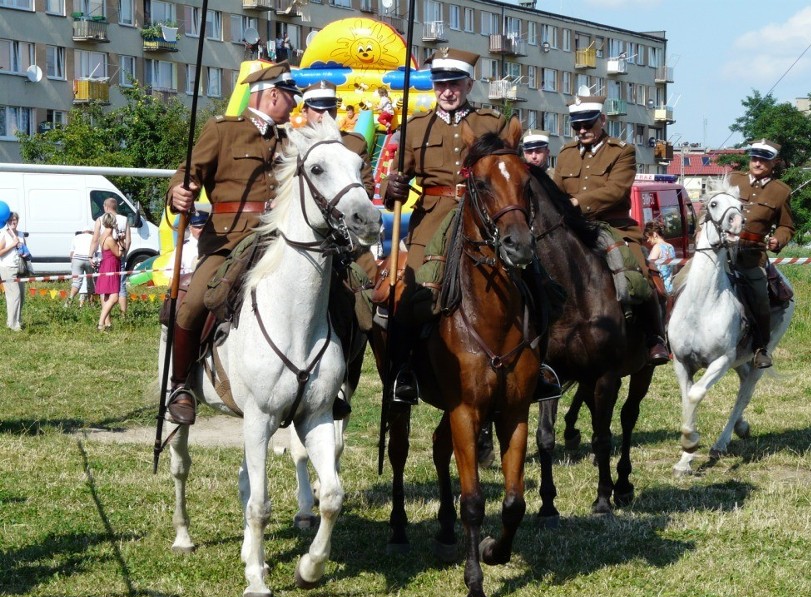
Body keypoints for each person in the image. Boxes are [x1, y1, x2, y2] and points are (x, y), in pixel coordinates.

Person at [381, 47, 561, 403]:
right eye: (440, 83)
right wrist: (393, 187)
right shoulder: (416, 128)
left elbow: (511, 174)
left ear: (469, 84)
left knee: (536, 282)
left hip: (485, 221)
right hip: (432, 221)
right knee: (410, 294)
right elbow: (392, 190)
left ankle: (539, 367)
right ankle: (402, 373)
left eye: (455, 84)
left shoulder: (491, 124)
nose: (447, 91)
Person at [165, 61, 302, 426]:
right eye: (291, 98)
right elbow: (187, 172)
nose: (295, 106)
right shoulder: (222, 130)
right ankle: (181, 386)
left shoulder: (290, 140)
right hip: (229, 241)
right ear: (274, 94)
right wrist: (178, 192)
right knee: (193, 303)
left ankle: (324, 382)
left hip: (279, 242)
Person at [552, 94, 669, 366]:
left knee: (637, 272)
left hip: (613, 227)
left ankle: (654, 337)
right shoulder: (566, 153)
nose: (582, 131)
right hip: (572, 228)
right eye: (576, 126)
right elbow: (556, 188)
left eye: (588, 124)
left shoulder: (622, 151)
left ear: (602, 120)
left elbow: (616, 190)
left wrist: (577, 203)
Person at [728, 139, 794, 368]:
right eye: (754, 157)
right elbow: (710, 206)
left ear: (773, 163)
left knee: (760, 297)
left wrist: (779, 239)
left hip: (751, 257)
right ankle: (664, 336)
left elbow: (787, 226)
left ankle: (760, 347)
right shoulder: (732, 180)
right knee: (679, 282)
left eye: (763, 159)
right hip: (718, 252)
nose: (757, 162)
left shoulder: (780, 191)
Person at [302, 80, 377, 282]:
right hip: (301, 232)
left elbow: (367, 187)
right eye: (318, 109)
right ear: (304, 111)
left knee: (370, 284)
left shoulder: (353, 143)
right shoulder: (292, 143)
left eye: (330, 108)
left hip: (345, 233)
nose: (324, 115)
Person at [89, 198, 130, 318]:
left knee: (105, 289)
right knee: (121, 286)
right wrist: (123, 252)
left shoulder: (100, 219)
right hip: (117, 256)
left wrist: (90, 255)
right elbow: (129, 240)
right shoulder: (124, 219)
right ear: (115, 207)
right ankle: (123, 315)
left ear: (105, 207)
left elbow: (95, 239)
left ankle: (107, 319)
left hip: (104, 256)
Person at [95, 212, 124, 331]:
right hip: (110, 267)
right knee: (114, 297)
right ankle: (101, 323)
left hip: (105, 265)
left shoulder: (102, 236)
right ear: (113, 223)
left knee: (107, 296)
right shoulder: (110, 239)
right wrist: (121, 243)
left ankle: (106, 324)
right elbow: (118, 254)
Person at [0, 208, 25, 331]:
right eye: (10, 220)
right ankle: (12, 324)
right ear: (6, 221)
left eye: (15, 219)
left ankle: (17, 320)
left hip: (20, 267)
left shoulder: (20, 234)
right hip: (7, 267)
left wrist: (25, 252)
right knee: (14, 295)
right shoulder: (3, 234)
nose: (13, 222)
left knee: (21, 296)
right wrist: (12, 245)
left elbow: (24, 249)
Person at [644, 220, 675, 295]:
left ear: (654, 234)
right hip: (671, 285)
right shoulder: (670, 246)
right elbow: (675, 268)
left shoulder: (657, 247)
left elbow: (650, 265)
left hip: (661, 286)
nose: (647, 240)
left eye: (648, 237)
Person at [67, 230, 95, 307]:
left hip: (76, 259)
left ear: (83, 232)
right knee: (90, 282)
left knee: (76, 283)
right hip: (89, 259)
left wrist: (73, 263)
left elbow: (71, 253)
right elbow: (98, 252)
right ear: (91, 232)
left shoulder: (76, 237)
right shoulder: (94, 237)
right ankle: (91, 304)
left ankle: (69, 302)